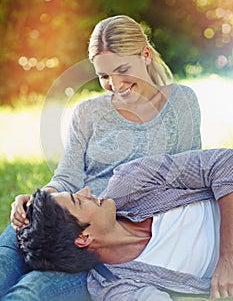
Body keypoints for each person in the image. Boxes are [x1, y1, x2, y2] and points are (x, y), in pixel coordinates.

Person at [0, 15, 202, 300]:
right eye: (104, 76)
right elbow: (66, 177)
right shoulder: (88, 112)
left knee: (33, 290)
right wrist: (40, 198)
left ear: (145, 54)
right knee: (4, 262)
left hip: (100, 238)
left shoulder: (181, 102)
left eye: (122, 70)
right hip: (61, 216)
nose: (115, 84)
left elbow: (190, 180)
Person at [17, 148, 233, 301]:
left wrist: (227, 257)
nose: (87, 192)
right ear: (83, 237)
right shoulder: (116, 285)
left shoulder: (131, 180)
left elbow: (225, 163)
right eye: (78, 200)